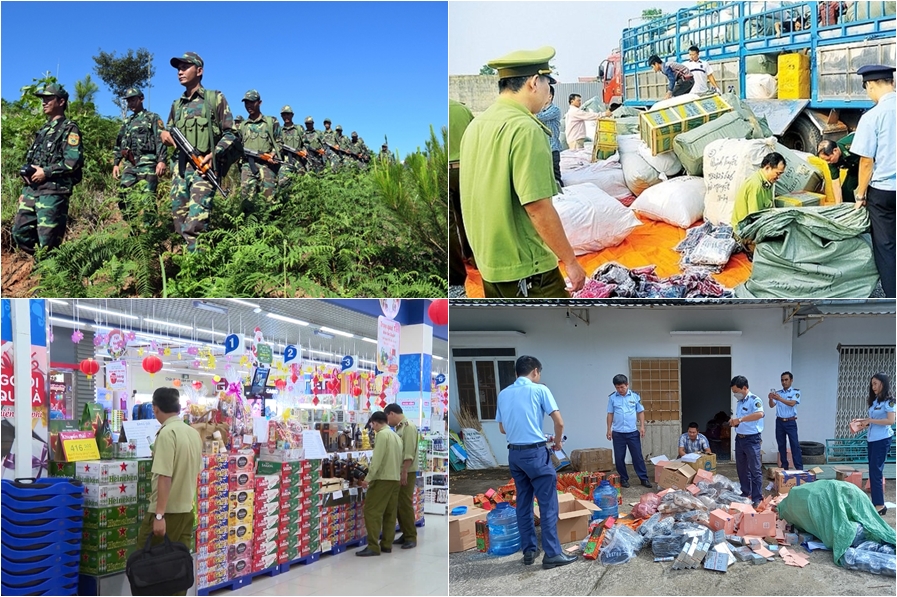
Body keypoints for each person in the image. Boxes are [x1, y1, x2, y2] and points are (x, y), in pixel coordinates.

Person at [459, 46, 587, 298]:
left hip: (491, 265)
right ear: (533, 83)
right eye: (548, 85)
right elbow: (537, 207)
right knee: (557, 334)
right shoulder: (526, 129)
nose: (549, 93)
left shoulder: (476, 125)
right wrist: (571, 262)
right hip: (528, 271)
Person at [495, 355, 576, 569]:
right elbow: (559, 422)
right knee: (548, 504)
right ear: (536, 372)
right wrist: (557, 442)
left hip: (514, 455)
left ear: (516, 373)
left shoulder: (503, 394)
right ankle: (552, 554)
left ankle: (529, 550)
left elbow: (502, 428)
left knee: (524, 502)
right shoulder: (540, 390)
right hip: (536, 454)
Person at [160, 52, 237, 252]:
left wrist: (215, 153)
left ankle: (200, 271)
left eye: (185, 67)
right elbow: (169, 131)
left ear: (199, 71)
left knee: (195, 225)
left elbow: (231, 133)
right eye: (178, 68)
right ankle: (187, 267)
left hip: (203, 169)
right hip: (180, 171)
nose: (180, 72)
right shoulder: (177, 105)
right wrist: (165, 136)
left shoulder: (214, 98)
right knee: (179, 223)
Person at [136, 387, 202, 582]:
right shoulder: (192, 433)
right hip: (186, 512)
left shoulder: (167, 434)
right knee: (177, 567)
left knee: (146, 565)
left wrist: (159, 515)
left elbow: (165, 477)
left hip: (167, 514)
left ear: (155, 409)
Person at [12, 83, 83, 255]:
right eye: (43, 99)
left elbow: (72, 162)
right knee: (19, 232)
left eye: (48, 98)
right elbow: (33, 160)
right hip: (32, 190)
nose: (44, 102)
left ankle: (49, 270)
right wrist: (26, 185)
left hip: (53, 192)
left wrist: (46, 172)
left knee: (48, 241)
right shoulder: (43, 130)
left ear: (61, 102)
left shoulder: (69, 129)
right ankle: (44, 262)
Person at [850, 64, 895, 298]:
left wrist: (860, 194)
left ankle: (893, 297)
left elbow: (867, 162)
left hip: (884, 192)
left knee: (886, 245)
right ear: (892, 82)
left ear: (871, 85)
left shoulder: (872, 116)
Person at [112, 87, 166, 219]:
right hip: (130, 164)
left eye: (133, 100)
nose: (130, 103)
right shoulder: (127, 122)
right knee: (123, 197)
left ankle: (150, 233)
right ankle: (133, 229)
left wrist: (162, 160)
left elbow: (161, 139)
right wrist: (116, 163)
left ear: (141, 99)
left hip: (147, 162)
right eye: (128, 101)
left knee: (147, 199)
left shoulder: (152, 117)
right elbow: (119, 143)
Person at [356, 411, 403, 556]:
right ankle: (386, 544)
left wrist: (368, 479)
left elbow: (377, 460)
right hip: (395, 478)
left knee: (372, 511)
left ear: (375, 423)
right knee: (390, 512)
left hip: (382, 479)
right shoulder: (396, 436)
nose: (372, 428)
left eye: (372, 425)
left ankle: (373, 546)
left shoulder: (382, 435)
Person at [853, 372, 895, 515]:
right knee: (872, 471)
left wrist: (870, 421)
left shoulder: (889, 401)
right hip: (872, 439)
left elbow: (890, 421)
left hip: (882, 439)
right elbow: (874, 420)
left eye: (876, 384)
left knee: (876, 471)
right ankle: (876, 502)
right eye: (872, 384)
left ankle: (879, 505)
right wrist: (862, 423)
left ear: (883, 384)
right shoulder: (875, 401)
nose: (873, 387)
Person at [383, 403, 419, 549]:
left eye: (387, 418)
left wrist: (404, 471)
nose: (387, 422)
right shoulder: (398, 428)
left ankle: (411, 536)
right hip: (399, 471)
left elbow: (409, 452)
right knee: (398, 504)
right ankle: (405, 533)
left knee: (404, 503)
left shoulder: (408, 427)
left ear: (392, 413)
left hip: (407, 471)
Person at [606, 374, 651, 488]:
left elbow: (640, 412)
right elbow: (610, 414)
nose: (620, 390)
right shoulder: (612, 398)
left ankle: (643, 478)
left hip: (632, 432)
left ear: (627, 385)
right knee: (619, 457)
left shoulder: (635, 396)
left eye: (622, 387)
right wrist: (608, 429)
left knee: (637, 457)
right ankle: (624, 479)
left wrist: (642, 426)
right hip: (618, 433)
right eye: (617, 387)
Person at [239, 89, 280, 209]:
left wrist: (273, 154)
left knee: (270, 202)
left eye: (252, 102)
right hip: (247, 167)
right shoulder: (242, 126)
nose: (248, 106)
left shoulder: (271, 122)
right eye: (246, 103)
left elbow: (279, 141)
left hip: (267, 166)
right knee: (247, 202)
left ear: (259, 102)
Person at [449, 99, 475, 287]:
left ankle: (457, 276)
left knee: (448, 225)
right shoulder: (461, 109)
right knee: (468, 216)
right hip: (465, 167)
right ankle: (474, 257)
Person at [729, 375, 765, 508]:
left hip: (752, 439)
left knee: (755, 469)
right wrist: (735, 422)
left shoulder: (755, 400)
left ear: (744, 388)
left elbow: (760, 414)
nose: (735, 395)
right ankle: (745, 492)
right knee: (742, 468)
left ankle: (757, 497)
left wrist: (740, 420)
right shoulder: (740, 402)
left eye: (736, 392)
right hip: (740, 438)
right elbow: (741, 419)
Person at [732, 152, 786, 227]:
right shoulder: (756, 185)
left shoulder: (768, 183)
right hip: (745, 231)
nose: (779, 177)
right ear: (767, 168)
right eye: (778, 173)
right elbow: (755, 219)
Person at [768, 371, 803, 470]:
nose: (784, 382)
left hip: (790, 422)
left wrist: (779, 399)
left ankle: (799, 468)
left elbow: (792, 403)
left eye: (786, 380)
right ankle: (784, 467)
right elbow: (771, 405)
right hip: (779, 422)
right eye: (782, 380)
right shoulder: (777, 393)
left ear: (791, 380)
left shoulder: (795, 392)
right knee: (781, 445)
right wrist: (771, 399)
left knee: (794, 445)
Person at [817, 136, 859, 203]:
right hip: (854, 168)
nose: (828, 162)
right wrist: (838, 205)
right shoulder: (831, 162)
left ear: (835, 151)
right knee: (846, 191)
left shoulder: (852, 146)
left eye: (829, 159)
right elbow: (835, 183)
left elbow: (868, 162)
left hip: (871, 163)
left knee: (871, 192)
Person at [536, 86, 563, 190]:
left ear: (550, 97)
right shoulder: (541, 110)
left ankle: (563, 195)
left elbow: (538, 117)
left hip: (552, 148)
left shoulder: (555, 110)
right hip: (543, 149)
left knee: (556, 176)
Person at [277, 105, 306, 182]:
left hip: (299, 161)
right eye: (284, 114)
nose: (286, 116)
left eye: (288, 114)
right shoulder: (279, 130)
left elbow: (306, 143)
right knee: (282, 182)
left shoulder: (299, 128)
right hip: (285, 161)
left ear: (292, 115)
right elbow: (277, 145)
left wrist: (304, 151)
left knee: (301, 183)